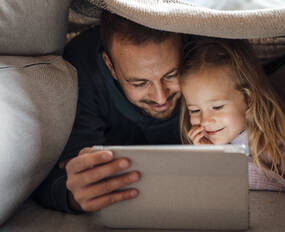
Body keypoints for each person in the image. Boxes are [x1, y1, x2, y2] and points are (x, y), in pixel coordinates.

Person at [33, 11, 184, 212]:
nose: (161, 97)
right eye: (139, 83)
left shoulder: (205, 53)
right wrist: (75, 195)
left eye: (171, 75)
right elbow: (50, 177)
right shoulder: (80, 69)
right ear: (110, 66)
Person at [179, 37, 285, 194]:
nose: (205, 121)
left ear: (249, 99)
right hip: (284, 98)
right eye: (194, 110)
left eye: (217, 107)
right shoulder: (220, 127)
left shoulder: (280, 143)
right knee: (279, 85)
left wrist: (223, 162)